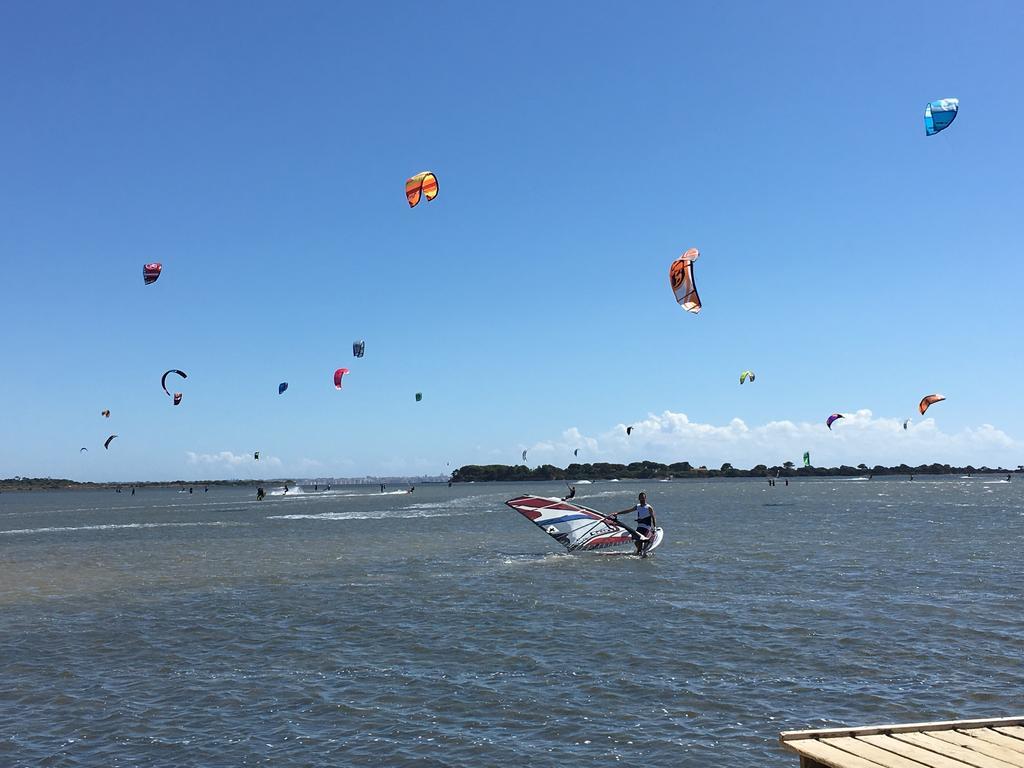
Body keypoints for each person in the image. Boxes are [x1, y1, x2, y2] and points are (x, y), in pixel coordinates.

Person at [613, 491, 657, 557]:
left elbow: (653, 517)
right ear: (639, 499)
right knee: (636, 541)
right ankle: (640, 551)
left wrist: (655, 527)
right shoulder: (638, 506)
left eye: (643, 498)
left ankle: (643, 550)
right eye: (641, 498)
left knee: (642, 539)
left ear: (645, 498)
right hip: (639, 527)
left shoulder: (649, 507)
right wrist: (617, 513)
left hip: (646, 527)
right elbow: (628, 511)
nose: (642, 500)